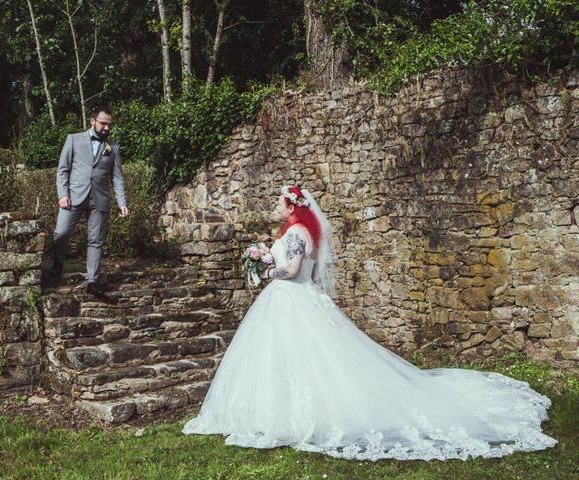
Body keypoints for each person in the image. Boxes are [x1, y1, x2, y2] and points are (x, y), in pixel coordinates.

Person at [182, 186, 556, 461]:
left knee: (302, 357)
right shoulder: (301, 232)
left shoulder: (296, 234)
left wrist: (266, 268)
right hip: (294, 299)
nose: (275, 207)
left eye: (278, 203)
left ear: (292, 207)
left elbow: (294, 270)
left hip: (290, 298)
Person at [50, 105, 128, 295]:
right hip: (74, 196)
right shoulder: (74, 139)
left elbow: (117, 177)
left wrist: (122, 202)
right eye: (103, 124)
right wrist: (63, 195)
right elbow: (63, 170)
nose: (107, 128)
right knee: (60, 233)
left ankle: (92, 280)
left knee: (96, 240)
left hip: (99, 199)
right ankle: (58, 261)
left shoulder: (113, 147)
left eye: (109, 125)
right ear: (92, 121)